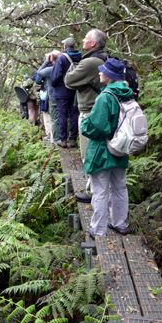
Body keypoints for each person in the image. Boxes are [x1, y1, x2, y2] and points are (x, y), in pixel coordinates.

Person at [80, 58, 134, 238]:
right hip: (121, 148)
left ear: (109, 76)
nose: (99, 73)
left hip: (102, 150)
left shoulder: (105, 97)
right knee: (120, 187)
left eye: (102, 71)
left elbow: (97, 127)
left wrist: (83, 124)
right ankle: (120, 224)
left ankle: (98, 230)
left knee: (100, 190)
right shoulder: (127, 93)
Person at [64, 29, 107, 200]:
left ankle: (93, 192)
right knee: (96, 152)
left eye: (86, 38)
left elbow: (69, 81)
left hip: (90, 112)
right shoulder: (104, 58)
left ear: (93, 44)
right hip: (100, 110)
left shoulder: (90, 63)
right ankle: (96, 190)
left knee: (88, 153)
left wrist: (73, 65)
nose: (82, 40)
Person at [51, 37, 81, 148]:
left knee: (62, 115)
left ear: (65, 46)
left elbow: (55, 76)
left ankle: (63, 140)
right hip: (76, 90)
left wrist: (54, 85)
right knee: (74, 115)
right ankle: (73, 139)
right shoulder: (80, 57)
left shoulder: (61, 58)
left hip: (62, 91)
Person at [37, 51, 61, 144]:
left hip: (50, 95)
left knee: (51, 117)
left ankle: (53, 138)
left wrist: (46, 62)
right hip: (63, 94)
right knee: (63, 116)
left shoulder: (48, 69)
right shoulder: (64, 67)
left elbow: (38, 76)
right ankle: (63, 137)